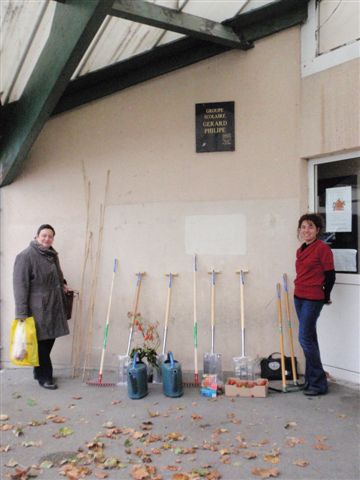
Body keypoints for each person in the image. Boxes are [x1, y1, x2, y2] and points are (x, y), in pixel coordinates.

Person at [13, 224, 70, 390]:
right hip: (37, 308)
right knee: (42, 342)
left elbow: (56, 275)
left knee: (48, 339)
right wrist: (22, 313)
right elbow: (20, 285)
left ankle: (39, 372)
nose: (47, 238)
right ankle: (45, 377)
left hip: (54, 304)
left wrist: (63, 283)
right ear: (36, 236)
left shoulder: (52, 254)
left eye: (50, 236)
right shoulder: (25, 256)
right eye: (44, 235)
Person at [294, 213, 336, 396]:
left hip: (313, 298)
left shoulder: (323, 249)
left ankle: (319, 383)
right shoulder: (301, 249)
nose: (306, 230)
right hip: (299, 296)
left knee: (304, 338)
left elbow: (330, 275)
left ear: (317, 230)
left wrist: (325, 295)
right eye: (303, 227)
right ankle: (311, 380)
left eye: (310, 226)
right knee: (310, 338)